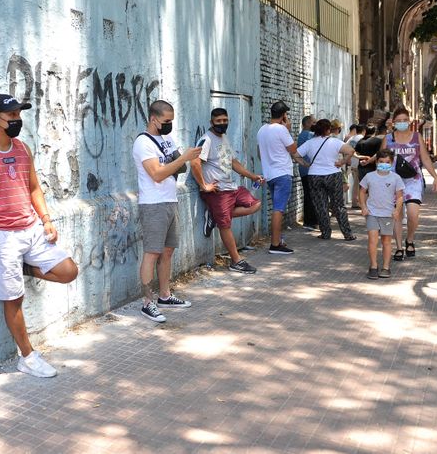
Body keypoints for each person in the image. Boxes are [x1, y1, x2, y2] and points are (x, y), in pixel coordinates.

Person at [0, 94, 79, 375]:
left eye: (18, 115)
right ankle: (27, 357)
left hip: (31, 229)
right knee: (14, 299)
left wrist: (46, 220)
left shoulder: (23, 148)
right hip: (1, 236)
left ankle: (22, 269)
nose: (17, 120)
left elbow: (34, 188)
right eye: (12, 116)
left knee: (68, 271)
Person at [132, 100, 201, 322]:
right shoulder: (143, 143)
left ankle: (164, 295)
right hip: (153, 204)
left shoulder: (167, 139)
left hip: (170, 200)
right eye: (166, 121)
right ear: (154, 119)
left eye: (171, 120)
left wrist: (182, 159)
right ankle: (147, 302)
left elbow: (178, 167)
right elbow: (157, 174)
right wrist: (181, 158)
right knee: (152, 253)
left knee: (168, 250)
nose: (169, 125)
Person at [191, 108, 263, 274]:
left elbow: (233, 162)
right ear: (211, 122)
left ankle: (215, 216)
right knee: (225, 225)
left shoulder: (223, 138)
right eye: (219, 121)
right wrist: (204, 185)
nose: (222, 124)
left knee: (254, 204)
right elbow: (194, 163)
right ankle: (236, 261)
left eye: (225, 120)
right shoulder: (206, 139)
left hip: (232, 188)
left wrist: (252, 176)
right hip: (218, 191)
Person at [376, 106, 437, 261]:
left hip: (413, 180)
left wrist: (435, 176)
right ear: (393, 122)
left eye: (405, 120)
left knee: (413, 214)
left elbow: (424, 158)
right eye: (399, 121)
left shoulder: (416, 137)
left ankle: (410, 239)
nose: (402, 123)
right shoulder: (388, 139)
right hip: (392, 181)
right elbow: (380, 159)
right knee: (396, 215)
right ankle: (399, 247)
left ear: (409, 121)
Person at [256, 101, 311, 255]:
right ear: (284, 116)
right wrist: (287, 130)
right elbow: (294, 149)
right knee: (278, 209)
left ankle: (278, 239)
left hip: (270, 174)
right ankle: (275, 244)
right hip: (282, 174)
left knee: (276, 207)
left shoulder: (262, 130)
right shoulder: (281, 130)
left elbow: (260, 153)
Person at [296, 119, 357, 241]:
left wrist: (305, 164)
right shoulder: (335, 142)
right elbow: (350, 151)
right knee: (338, 205)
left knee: (321, 205)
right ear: (328, 130)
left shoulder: (310, 143)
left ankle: (325, 233)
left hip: (314, 176)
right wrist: (342, 162)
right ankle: (347, 234)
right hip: (333, 175)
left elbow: (296, 155)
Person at [359, 149, 404, 279]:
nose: (384, 164)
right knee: (372, 240)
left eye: (387, 162)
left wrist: (397, 210)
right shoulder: (369, 176)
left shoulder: (396, 178)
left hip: (388, 214)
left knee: (386, 241)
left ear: (392, 163)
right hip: (372, 213)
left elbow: (400, 196)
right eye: (381, 162)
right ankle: (373, 266)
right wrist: (363, 206)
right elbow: (362, 192)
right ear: (376, 162)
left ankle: (386, 267)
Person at [297, 115, 317, 230]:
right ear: (308, 124)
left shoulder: (302, 135)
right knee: (311, 195)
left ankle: (309, 220)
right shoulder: (309, 135)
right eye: (314, 122)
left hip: (304, 169)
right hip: (309, 169)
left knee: (308, 195)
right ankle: (310, 221)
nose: (315, 125)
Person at [346, 124, 366, 207]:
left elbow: (345, 148)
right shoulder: (362, 138)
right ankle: (357, 202)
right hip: (359, 163)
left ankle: (355, 201)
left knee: (356, 183)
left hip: (352, 163)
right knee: (360, 184)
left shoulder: (351, 139)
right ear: (364, 131)